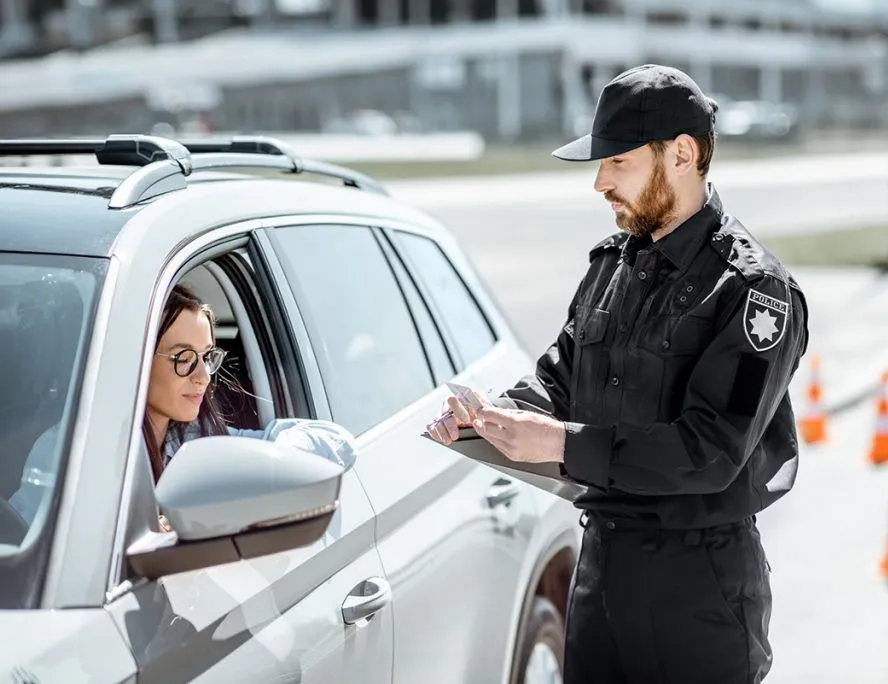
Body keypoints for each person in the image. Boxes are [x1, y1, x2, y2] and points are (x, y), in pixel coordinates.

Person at [428, 65, 809, 683]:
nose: (600, 182)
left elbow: (711, 451)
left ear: (682, 154)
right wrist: (495, 415)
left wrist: (559, 443)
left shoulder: (752, 290)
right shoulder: (613, 265)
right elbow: (560, 375)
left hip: (699, 589)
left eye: (618, 162)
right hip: (602, 566)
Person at [11, 283, 355, 528]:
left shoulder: (196, 439)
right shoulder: (70, 452)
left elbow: (333, 438)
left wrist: (273, 470)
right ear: (137, 360)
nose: (203, 376)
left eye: (207, 357)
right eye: (183, 358)